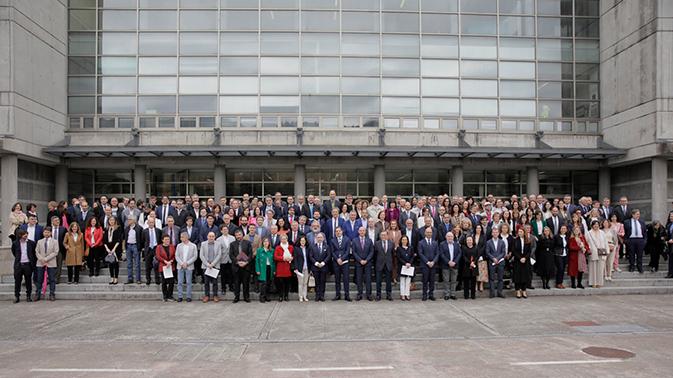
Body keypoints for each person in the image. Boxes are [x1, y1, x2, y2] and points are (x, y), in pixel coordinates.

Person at [11, 229, 36, 303]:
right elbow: (14, 252)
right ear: (19, 235)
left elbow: (33, 253)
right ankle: (17, 296)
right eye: (24, 234)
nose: (26, 235)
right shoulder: (15, 243)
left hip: (28, 265)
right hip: (18, 265)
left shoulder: (31, 243)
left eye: (26, 234)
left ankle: (28, 296)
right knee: (17, 281)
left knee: (28, 281)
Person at [35, 227, 59, 301]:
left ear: (51, 233)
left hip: (51, 263)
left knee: (52, 279)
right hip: (40, 263)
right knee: (39, 279)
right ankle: (38, 294)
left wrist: (46, 259)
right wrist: (41, 259)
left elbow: (55, 252)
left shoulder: (55, 241)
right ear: (43, 233)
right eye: (45, 232)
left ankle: (52, 294)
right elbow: (36, 251)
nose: (46, 234)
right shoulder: (39, 241)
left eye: (48, 232)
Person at [230, 229, 253, 303]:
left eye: (239, 235)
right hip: (236, 267)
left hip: (246, 267)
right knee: (236, 283)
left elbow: (250, 254)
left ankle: (246, 297)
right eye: (236, 235)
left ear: (242, 235)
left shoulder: (248, 243)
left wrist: (246, 262)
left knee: (246, 283)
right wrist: (237, 262)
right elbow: (231, 255)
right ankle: (236, 297)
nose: (238, 236)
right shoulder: (232, 244)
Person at [352, 226, 374, 301]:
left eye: (363, 231)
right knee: (359, 279)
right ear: (358, 231)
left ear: (365, 232)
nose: (362, 232)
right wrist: (360, 260)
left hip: (367, 263)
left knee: (368, 279)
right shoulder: (354, 240)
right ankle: (359, 294)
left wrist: (366, 260)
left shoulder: (369, 240)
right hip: (358, 262)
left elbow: (371, 251)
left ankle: (369, 294)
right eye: (360, 231)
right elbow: (354, 252)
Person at [418, 227, 440, 301]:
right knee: (425, 280)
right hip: (425, 265)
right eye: (427, 232)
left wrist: (433, 262)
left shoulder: (435, 242)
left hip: (433, 265)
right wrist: (427, 262)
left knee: (432, 280)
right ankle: (424, 295)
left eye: (430, 232)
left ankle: (431, 294)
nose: (429, 234)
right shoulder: (421, 242)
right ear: (425, 233)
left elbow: (437, 253)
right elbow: (420, 254)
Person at [329, 227, 350, 301]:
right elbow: (332, 251)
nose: (338, 232)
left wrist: (342, 258)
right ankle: (338, 295)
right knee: (337, 279)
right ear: (335, 233)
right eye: (336, 231)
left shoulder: (347, 239)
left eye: (339, 231)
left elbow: (347, 251)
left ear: (342, 231)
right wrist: (337, 259)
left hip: (345, 262)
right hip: (336, 262)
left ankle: (347, 295)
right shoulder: (332, 240)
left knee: (346, 279)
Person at [175, 232, 198, 302]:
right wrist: (181, 263)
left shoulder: (193, 246)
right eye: (181, 237)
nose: (180, 238)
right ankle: (180, 296)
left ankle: (188, 296)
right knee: (180, 282)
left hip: (189, 266)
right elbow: (176, 256)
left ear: (187, 237)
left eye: (182, 237)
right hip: (180, 266)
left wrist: (187, 263)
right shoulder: (179, 246)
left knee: (189, 282)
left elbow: (195, 256)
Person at [200, 231, 222, 303]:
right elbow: (201, 255)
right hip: (206, 266)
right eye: (210, 236)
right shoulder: (203, 244)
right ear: (207, 237)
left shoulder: (218, 244)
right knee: (206, 282)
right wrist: (207, 264)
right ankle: (207, 296)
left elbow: (219, 255)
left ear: (215, 237)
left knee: (215, 282)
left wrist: (212, 264)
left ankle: (215, 295)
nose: (211, 238)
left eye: (212, 236)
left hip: (214, 266)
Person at [439, 231, 462, 300]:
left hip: (455, 265)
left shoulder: (456, 244)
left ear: (453, 237)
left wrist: (454, 262)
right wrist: (448, 262)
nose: (450, 238)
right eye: (448, 236)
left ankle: (453, 294)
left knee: (454, 280)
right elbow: (441, 254)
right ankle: (447, 294)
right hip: (446, 265)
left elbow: (459, 254)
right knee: (446, 280)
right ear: (446, 237)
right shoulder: (442, 244)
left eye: (451, 236)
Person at [585, 220, 607, 288]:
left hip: (601, 251)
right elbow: (586, 242)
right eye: (594, 224)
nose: (596, 226)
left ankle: (599, 282)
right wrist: (589, 249)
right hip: (593, 252)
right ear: (592, 225)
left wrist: (606, 251)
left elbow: (605, 242)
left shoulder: (602, 233)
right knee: (592, 268)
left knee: (600, 268)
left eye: (597, 224)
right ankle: (593, 282)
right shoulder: (588, 233)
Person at [623, 209, 647, 273]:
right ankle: (632, 266)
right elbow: (625, 232)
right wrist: (626, 241)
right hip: (631, 240)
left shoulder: (642, 222)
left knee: (640, 254)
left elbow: (644, 232)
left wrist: (644, 240)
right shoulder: (627, 222)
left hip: (640, 240)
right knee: (631, 254)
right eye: (637, 214)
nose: (638, 215)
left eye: (639, 214)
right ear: (633, 215)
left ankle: (640, 267)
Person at [486, 227, 506, 298]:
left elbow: (503, 252)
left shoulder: (502, 242)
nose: (495, 233)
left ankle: (500, 292)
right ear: (492, 233)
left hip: (500, 262)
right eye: (493, 232)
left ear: (498, 233)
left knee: (500, 278)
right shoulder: (488, 242)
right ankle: (492, 292)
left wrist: (497, 258)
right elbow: (487, 252)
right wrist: (493, 258)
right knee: (491, 278)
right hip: (492, 262)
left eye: (496, 232)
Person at [310, 233, 331, 302]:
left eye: (321, 237)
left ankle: (322, 295)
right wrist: (316, 263)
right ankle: (317, 295)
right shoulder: (313, 246)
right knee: (317, 282)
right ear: (316, 238)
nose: (319, 239)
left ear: (323, 238)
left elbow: (328, 256)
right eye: (318, 237)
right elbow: (311, 256)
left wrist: (323, 263)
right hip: (315, 267)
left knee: (322, 282)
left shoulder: (327, 246)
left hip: (323, 267)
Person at [512, 228, 532, 298]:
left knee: (524, 276)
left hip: (525, 260)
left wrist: (525, 258)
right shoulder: (515, 240)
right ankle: (517, 290)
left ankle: (524, 290)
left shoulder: (528, 241)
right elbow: (514, 251)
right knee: (517, 276)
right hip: (518, 260)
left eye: (521, 231)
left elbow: (529, 251)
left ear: (524, 232)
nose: (520, 233)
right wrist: (520, 258)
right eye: (519, 231)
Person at [123, 215, 144, 284]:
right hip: (128, 246)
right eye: (128, 219)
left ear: (134, 220)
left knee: (137, 264)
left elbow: (141, 239)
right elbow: (125, 238)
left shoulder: (139, 228)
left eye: (130, 219)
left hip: (135, 246)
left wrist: (140, 248)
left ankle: (138, 279)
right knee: (129, 264)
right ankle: (130, 278)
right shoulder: (126, 228)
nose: (128, 221)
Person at [374, 230, 394, 301]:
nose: (383, 236)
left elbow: (392, 254)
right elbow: (375, 255)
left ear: (387, 236)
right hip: (379, 264)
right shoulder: (377, 244)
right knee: (378, 280)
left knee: (388, 281)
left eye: (385, 235)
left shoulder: (391, 243)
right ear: (380, 236)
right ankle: (378, 295)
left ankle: (388, 294)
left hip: (388, 264)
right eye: (382, 235)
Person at [103, 216, 123, 285]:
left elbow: (119, 240)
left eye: (113, 220)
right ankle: (111, 277)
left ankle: (116, 278)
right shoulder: (106, 229)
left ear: (115, 221)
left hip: (116, 248)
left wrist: (114, 249)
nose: (111, 221)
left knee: (116, 264)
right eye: (110, 220)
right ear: (108, 221)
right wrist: (107, 249)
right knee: (110, 263)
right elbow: (104, 240)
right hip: (108, 248)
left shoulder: (118, 228)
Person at [217, 225, 235, 296]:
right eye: (224, 230)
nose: (225, 231)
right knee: (223, 275)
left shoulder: (232, 238)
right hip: (222, 259)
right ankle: (223, 288)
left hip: (230, 259)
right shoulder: (218, 239)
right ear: (221, 231)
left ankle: (231, 286)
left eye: (226, 229)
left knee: (231, 274)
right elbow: (218, 250)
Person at [274, 234, 293, 302]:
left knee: (287, 283)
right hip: (280, 267)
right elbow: (275, 257)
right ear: (280, 240)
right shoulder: (278, 247)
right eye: (282, 239)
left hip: (288, 267)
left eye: (285, 239)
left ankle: (286, 296)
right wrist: (284, 258)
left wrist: (291, 258)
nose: (284, 240)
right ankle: (280, 296)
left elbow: (293, 255)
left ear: (287, 239)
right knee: (280, 283)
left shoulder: (290, 247)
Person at [156, 234, 176, 301]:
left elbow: (174, 255)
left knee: (171, 282)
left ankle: (170, 295)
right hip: (163, 266)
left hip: (171, 266)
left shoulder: (172, 246)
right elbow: (158, 256)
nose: (167, 241)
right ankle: (165, 296)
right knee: (164, 282)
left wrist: (171, 261)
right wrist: (165, 262)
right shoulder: (159, 247)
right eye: (166, 239)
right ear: (162, 240)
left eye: (168, 239)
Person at [142, 219, 162, 285]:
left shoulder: (158, 231)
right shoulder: (145, 231)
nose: (151, 223)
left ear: (154, 223)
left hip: (156, 249)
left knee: (156, 265)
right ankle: (148, 279)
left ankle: (157, 279)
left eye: (152, 222)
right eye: (150, 222)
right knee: (148, 266)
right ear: (147, 223)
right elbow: (143, 240)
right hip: (148, 249)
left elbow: (160, 240)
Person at [255, 237, 275, 303]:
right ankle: (262, 297)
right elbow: (257, 261)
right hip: (262, 268)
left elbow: (274, 261)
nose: (266, 243)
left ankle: (267, 296)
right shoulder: (259, 250)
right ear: (262, 243)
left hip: (270, 268)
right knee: (263, 283)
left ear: (269, 243)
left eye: (267, 241)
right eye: (264, 241)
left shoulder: (272, 250)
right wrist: (257, 270)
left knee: (269, 283)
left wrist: (274, 270)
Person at [396, 235, 414, 300]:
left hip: (409, 267)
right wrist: (405, 263)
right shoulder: (399, 248)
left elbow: (412, 256)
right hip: (402, 266)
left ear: (407, 241)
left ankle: (407, 294)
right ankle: (402, 294)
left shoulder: (410, 248)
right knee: (402, 281)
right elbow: (398, 257)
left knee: (408, 281)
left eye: (405, 240)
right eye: (403, 240)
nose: (404, 241)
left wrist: (410, 263)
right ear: (401, 241)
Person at [50, 216, 67, 284]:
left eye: (58, 220)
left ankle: (57, 279)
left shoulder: (63, 229)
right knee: (51, 265)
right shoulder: (49, 229)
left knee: (59, 265)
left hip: (59, 250)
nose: (58, 221)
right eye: (56, 220)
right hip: (50, 251)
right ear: (52, 222)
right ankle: (51, 278)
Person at [293, 235, 310, 302]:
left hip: (307, 268)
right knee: (300, 283)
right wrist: (296, 268)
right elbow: (295, 259)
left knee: (305, 283)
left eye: (304, 240)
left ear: (306, 241)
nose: (303, 242)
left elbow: (309, 258)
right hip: (299, 269)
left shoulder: (308, 248)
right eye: (301, 241)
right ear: (299, 241)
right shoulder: (296, 249)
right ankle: (300, 296)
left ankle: (305, 296)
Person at [461, 235, 479, 300]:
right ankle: (466, 295)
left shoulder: (476, 248)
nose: (469, 241)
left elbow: (477, 256)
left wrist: (473, 262)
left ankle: (473, 295)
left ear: (472, 241)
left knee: (473, 282)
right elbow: (464, 257)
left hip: (474, 267)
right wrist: (469, 263)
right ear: (466, 241)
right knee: (466, 282)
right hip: (466, 267)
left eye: (470, 240)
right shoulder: (464, 248)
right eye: (468, 240)